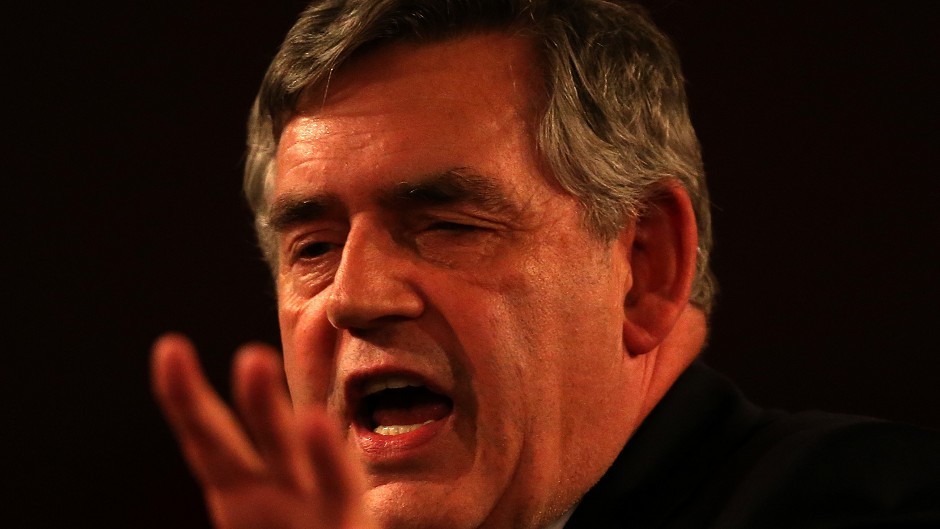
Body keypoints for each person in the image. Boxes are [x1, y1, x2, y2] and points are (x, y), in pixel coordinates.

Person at [150, 1, 940, 528]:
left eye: (447, 224)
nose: (354, 296)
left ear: (644, 265)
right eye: (313, 248)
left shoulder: (857, 499)